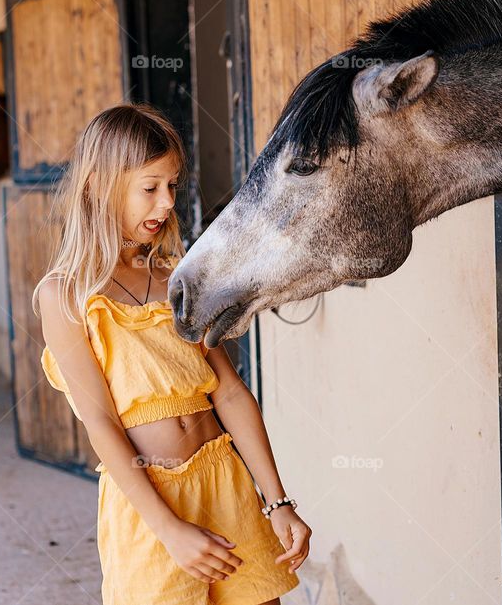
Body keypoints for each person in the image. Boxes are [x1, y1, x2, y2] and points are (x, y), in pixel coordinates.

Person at [32, 103, 309, 605]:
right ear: (97, 185)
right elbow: (101, 423)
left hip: (225, 482)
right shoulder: (66, 297)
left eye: (172, 186)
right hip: (150, 506)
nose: (165, 204)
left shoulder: (176, 279)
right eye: (149, 187)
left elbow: (228, 392)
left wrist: (278, 501)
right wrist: (169, 529)